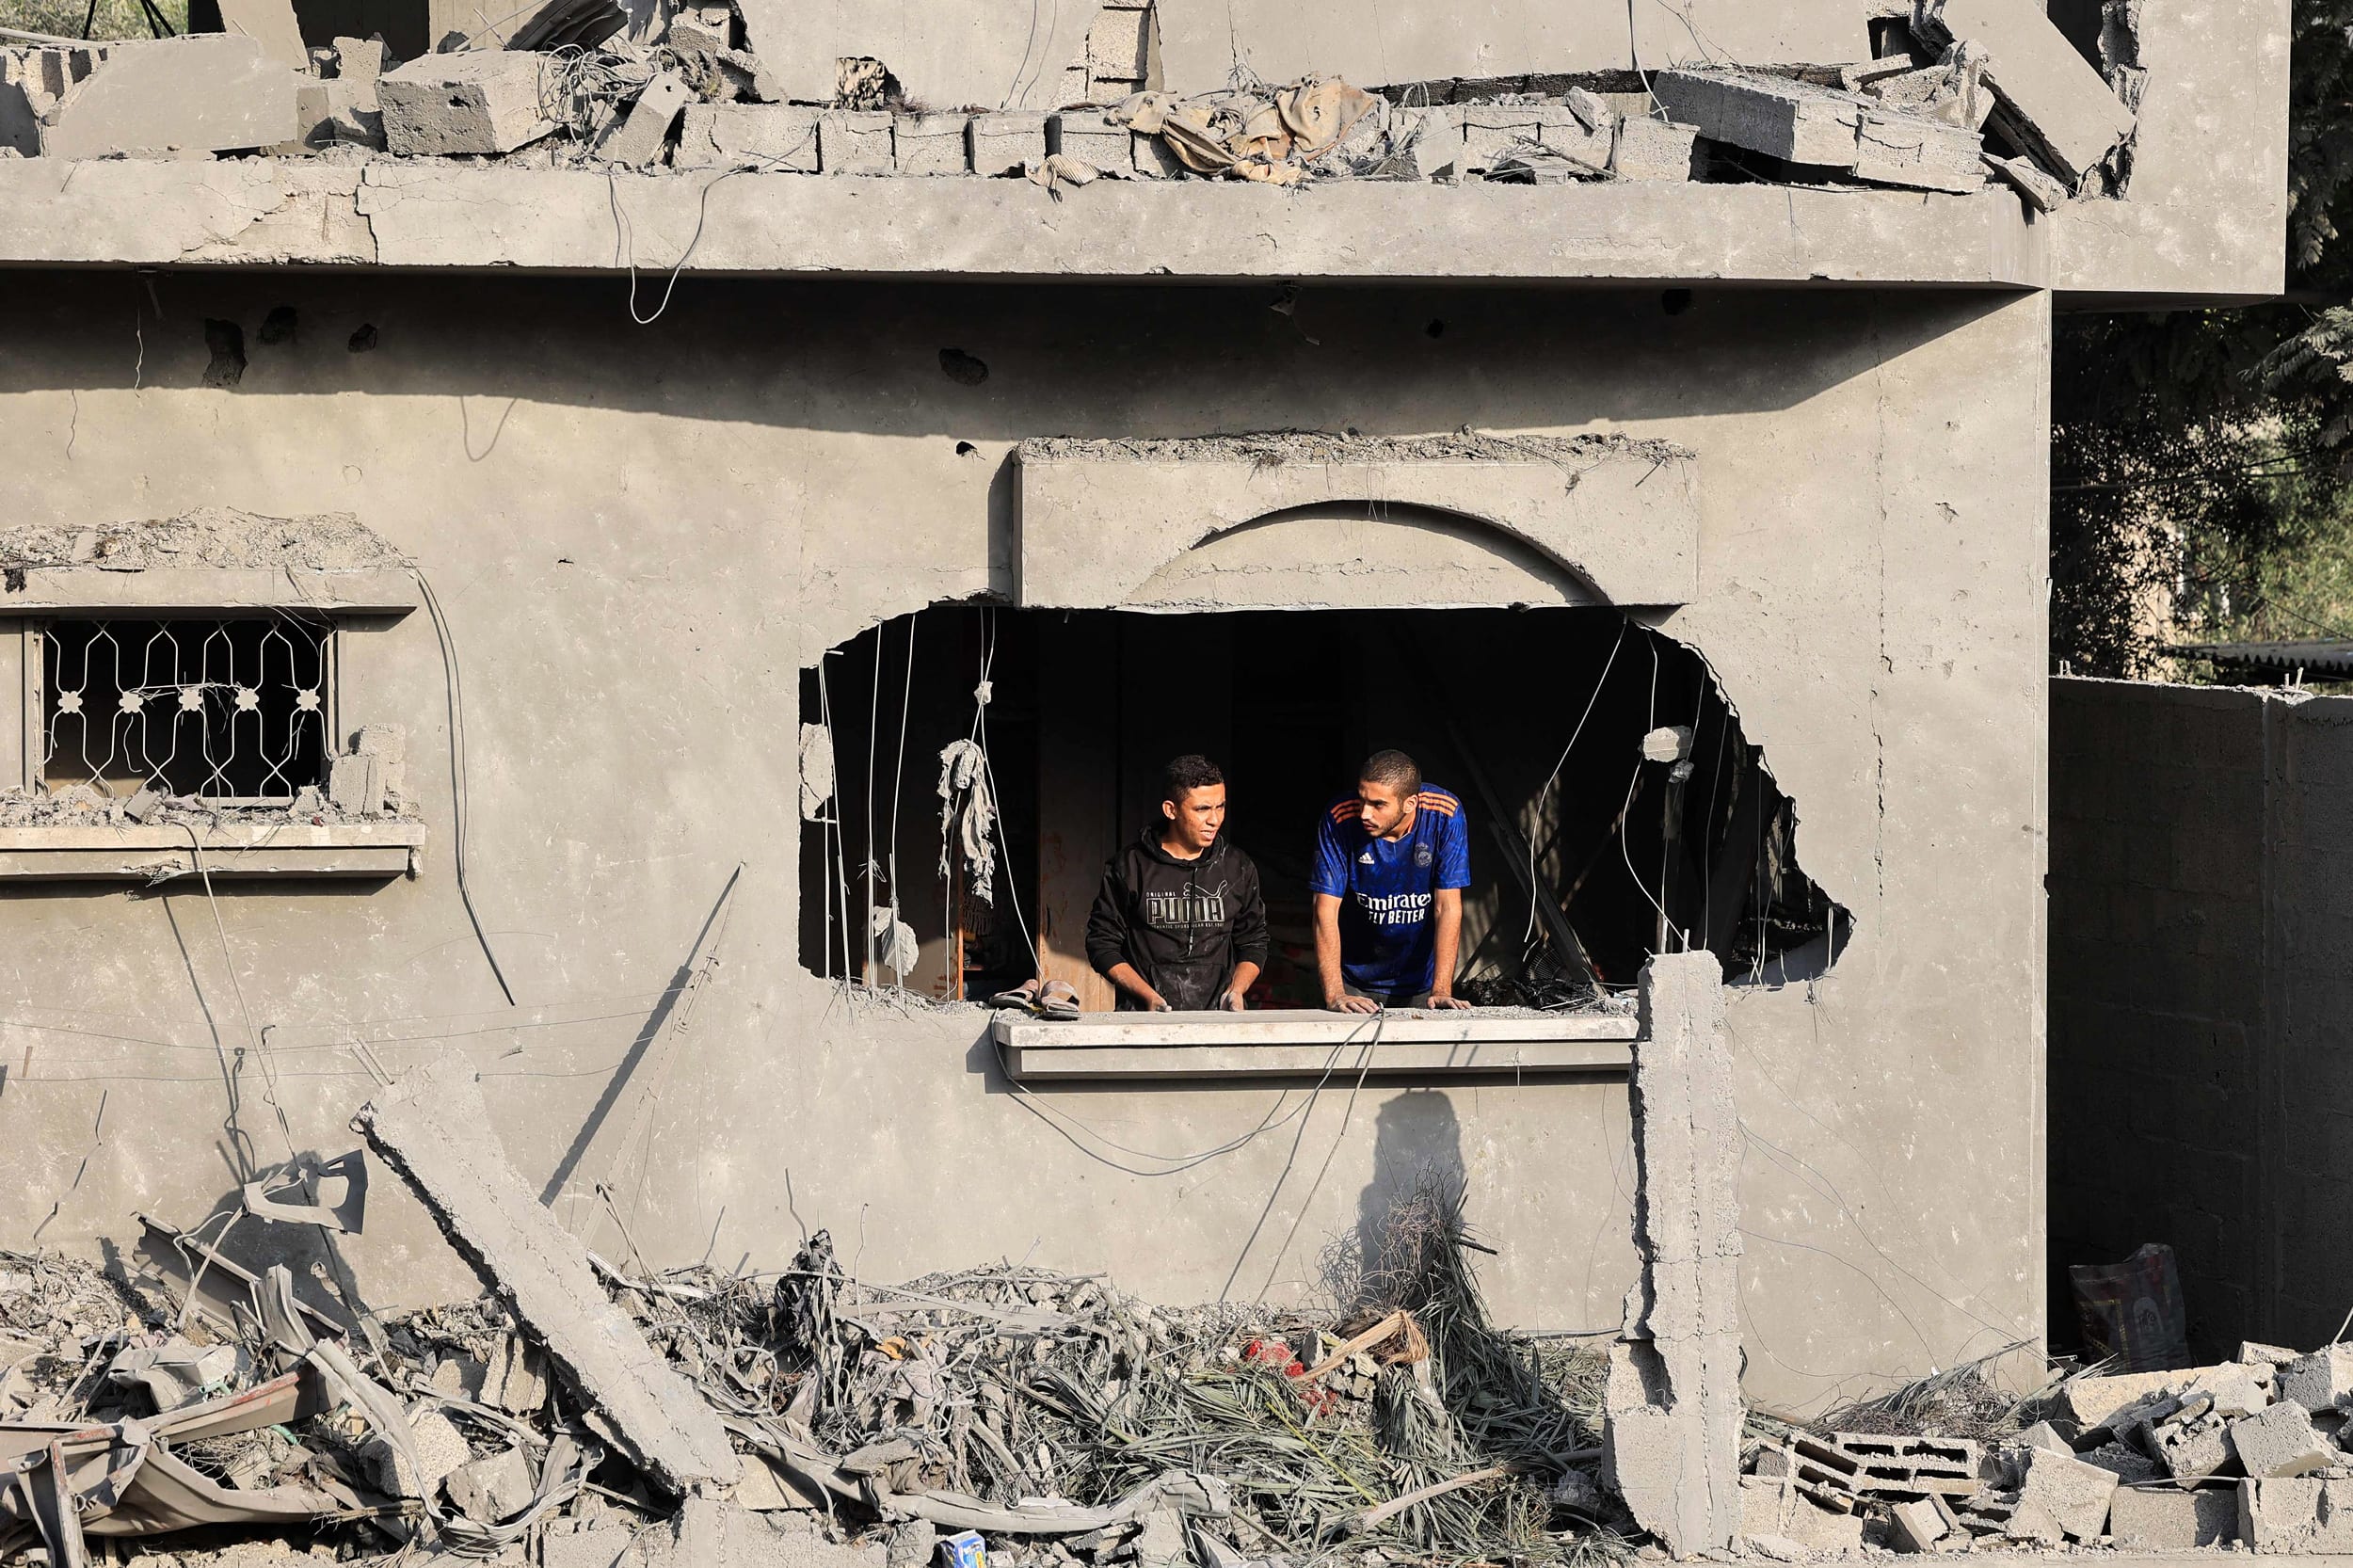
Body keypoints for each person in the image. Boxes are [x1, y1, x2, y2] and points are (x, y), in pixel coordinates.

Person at [1086, 754, 1269, 1012]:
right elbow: (1101, 944)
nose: (1215, 819)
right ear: (1171, 810)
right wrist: (1147, 996)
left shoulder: (1237, 866)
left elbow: (1254, 941)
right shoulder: (1130, 867)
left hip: (1219, 1021)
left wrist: (1236, 990)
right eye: (1202, 809)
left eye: (1221, 806)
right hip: (1145, 1021)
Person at [1312, 749, 1472, 1012]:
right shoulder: (1340, 816)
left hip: (1420, 980)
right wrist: (1335, 994)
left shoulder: (1444, 814)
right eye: (1362, 799)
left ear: (1410, 804)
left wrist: (1442, 989)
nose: (1364, 813)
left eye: (1378, 805)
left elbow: (1448, 907)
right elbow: (1324, 909)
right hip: (1354, 980)